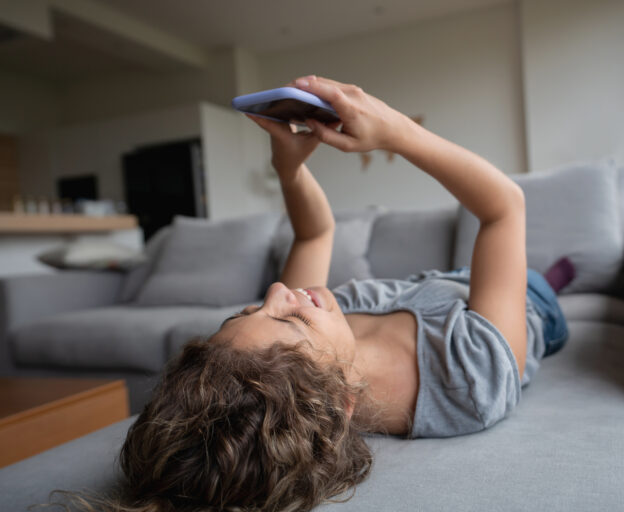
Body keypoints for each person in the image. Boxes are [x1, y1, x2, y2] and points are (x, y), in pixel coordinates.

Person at [72, 76, 570, 512]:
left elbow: (313, 235)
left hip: (436, 285)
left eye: (248, 312)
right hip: (527, 304)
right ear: (341, 405)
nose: (276, 292)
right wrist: (395, 130)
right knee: (541, 277)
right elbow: (503, 208)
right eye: (286, 318)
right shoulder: (471, 376)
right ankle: (564, 277)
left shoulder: (316, 345)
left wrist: (288, 168)